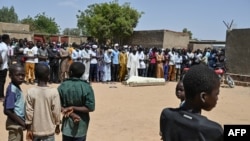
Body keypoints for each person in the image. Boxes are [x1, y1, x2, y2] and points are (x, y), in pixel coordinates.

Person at [160, 64, 223, 141]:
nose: (217, 98)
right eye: (216, 94)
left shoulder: (166, 114)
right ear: (203, 97)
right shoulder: (213, 130)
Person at [58, 62, 95, 141]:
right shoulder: (86, 87)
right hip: (81, 126)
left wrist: (70, 111)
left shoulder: (62, 86)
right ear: (82, 73)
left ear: (70, 72)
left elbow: (57, 104)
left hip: (67, 127)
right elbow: (90, 107)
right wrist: (73, 108)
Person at [25, 63, 61, 141]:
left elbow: (29, 111)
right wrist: (57, 124)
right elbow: (56, 111)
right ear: (48, 76)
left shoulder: (30, 92)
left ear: (36, 76)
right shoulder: (54, 92)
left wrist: (28, 129)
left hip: (35, 131)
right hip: (49, 131)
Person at [3, 63, 26, 141]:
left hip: (17, 123)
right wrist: (22, 123)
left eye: (23, 75)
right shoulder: (12, 89)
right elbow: (7, 110)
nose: (21, 77)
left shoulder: (15, 87)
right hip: (15, 124)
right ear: (10, 76)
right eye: (18, 75)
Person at [0, 34, 10, 101]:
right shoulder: (4, 46)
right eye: (9, 38)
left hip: (3, 66)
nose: (9, 40)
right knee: (1, 82)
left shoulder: (2, 45)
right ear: (6, 39)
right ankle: (1, 96)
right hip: (2, 67)